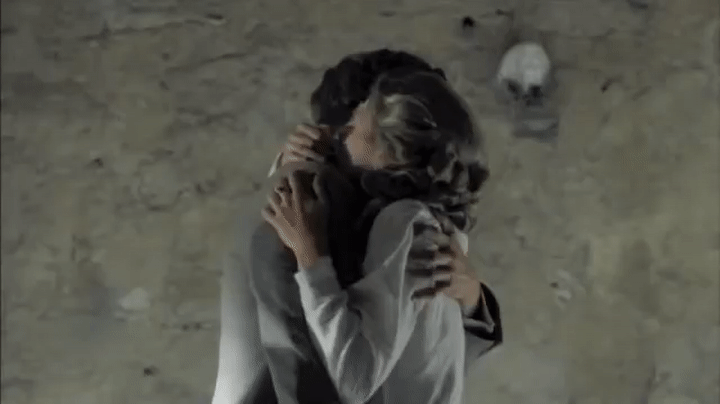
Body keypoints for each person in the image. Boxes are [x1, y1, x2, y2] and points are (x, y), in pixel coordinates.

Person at [212, 51, 502, 404]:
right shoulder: (328, 210)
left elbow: (426, 360)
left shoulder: (409, 223)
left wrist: (472, 300)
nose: (337, 137)